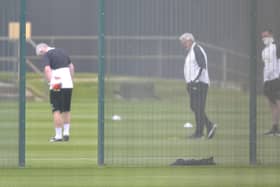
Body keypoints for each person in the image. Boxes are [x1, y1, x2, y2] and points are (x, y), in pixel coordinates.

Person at [179, 33, 216, 139]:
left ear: (190, 40)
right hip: (193, 84)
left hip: (199, 83)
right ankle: (203, 129)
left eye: (184, 42)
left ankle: (204, 129)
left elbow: (202, 66)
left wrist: (195, 80)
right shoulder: (191, 51)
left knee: (197, 107)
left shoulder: (197, 49)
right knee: (195, 107)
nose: (183, 44)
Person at [36, 43, 74, 142]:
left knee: (56, 109)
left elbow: (47, 70)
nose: (41, 56)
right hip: (68, 83)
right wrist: (70, 80)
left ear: (42, 50)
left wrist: (50, 82)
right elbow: (71, 67)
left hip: (57, 83)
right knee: (66, 109)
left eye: (40, 54)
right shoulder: (62, 51)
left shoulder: (47, 54)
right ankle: (66, 133)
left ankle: (58, 136)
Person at [261, 29, 280, 136]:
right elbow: (266, 66)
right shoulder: (264, 51)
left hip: (275, 79)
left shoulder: (275, 47)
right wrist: (265, 79)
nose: (264, 38)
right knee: (271, 103)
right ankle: (274, 127)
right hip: (267, 80)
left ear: (271, 35)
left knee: (277, 103)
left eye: (266, 35)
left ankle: (276, 127)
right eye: (263, 36)